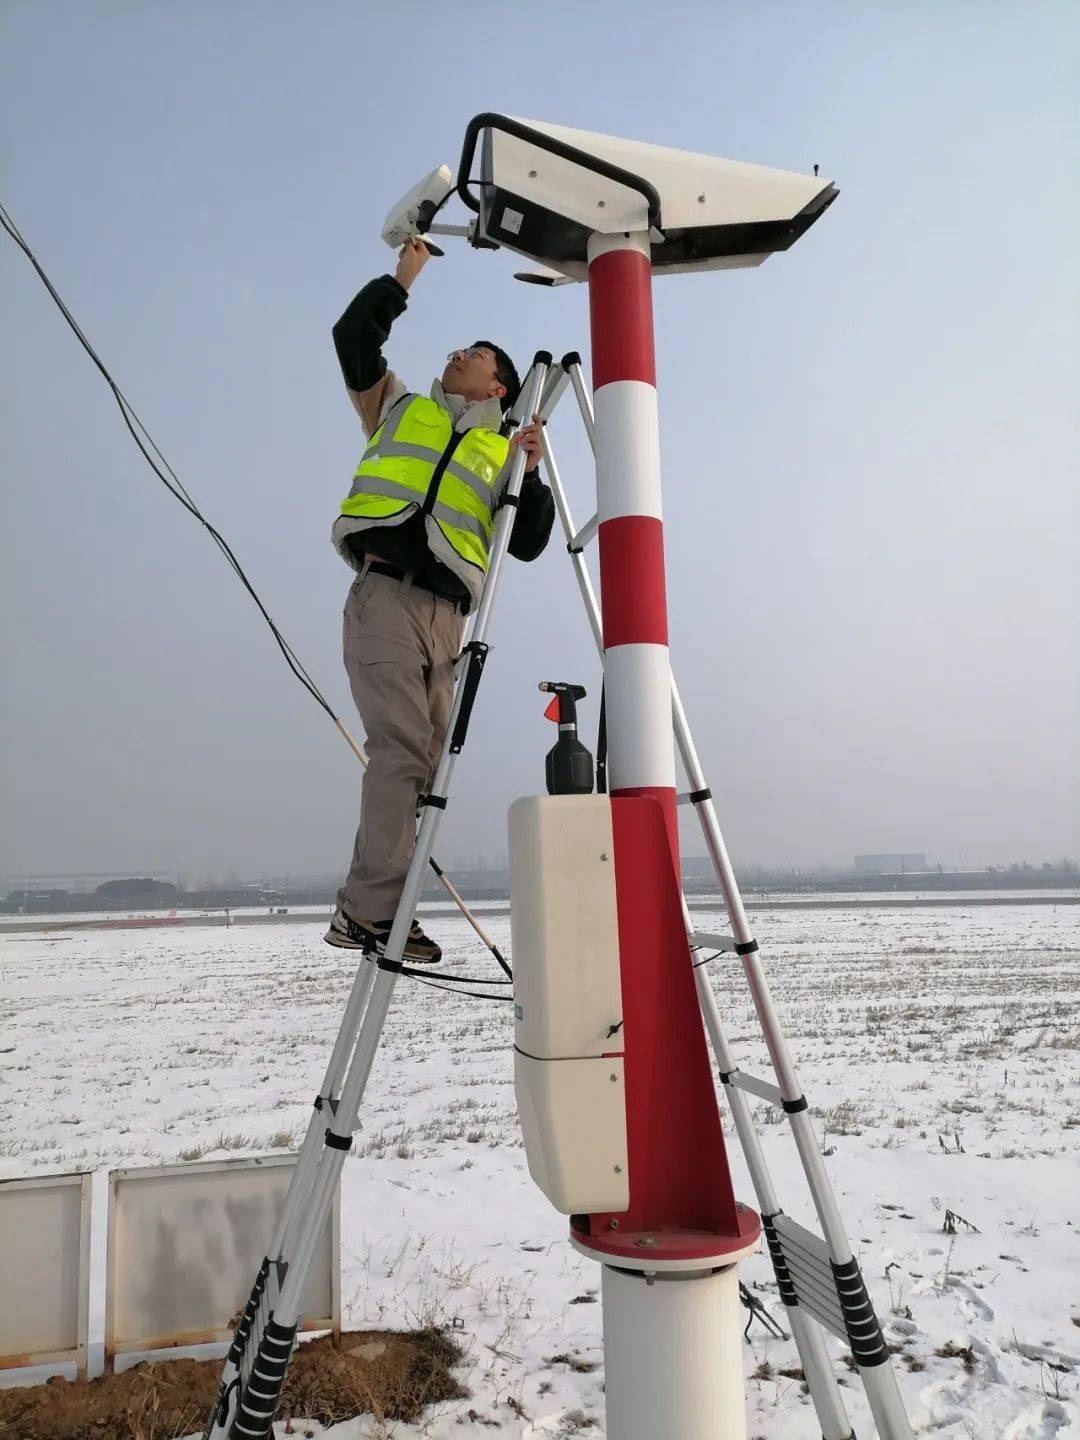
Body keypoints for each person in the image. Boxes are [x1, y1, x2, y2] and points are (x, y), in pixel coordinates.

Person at [325, 237, 554, 962]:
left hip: (445, 622)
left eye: (476, 352)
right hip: (386, 599)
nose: (459, 353)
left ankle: (382, 907)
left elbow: (529, 541)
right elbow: (352, 337)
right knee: (398, 753)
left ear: (498, 387)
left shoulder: (504, 454)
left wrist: (535, 473)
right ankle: (368, 912)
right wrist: (404, 277)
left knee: (423, 769)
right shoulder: (397, 406)